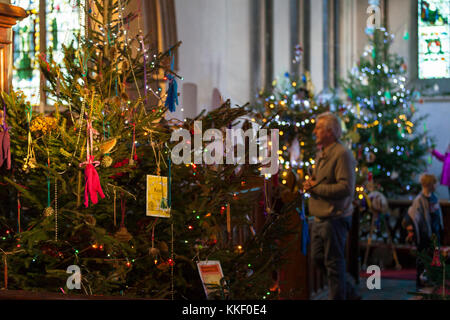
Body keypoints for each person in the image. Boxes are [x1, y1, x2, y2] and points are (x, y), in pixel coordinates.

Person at [303, 112, 359, 300]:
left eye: (319, 127)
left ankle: (341, 295)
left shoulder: (342, 154)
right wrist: (311, 184)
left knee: (334, 265)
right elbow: (321, 182)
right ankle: (349, 291)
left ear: (331, 131)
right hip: (320, 216)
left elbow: (346, 188)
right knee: (318, 259)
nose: (315, 131)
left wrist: (316, 188)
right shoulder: (322, 153)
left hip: (335, 217)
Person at [402, 173, 444, 288]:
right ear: (429, 185)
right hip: (424, 235)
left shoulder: (434, 197)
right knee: (422, 258)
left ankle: (432, 278)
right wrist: (413, 230)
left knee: (434, 257)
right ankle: (420, 281)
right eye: (435, 183)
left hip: (434, 233)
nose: (436, 185)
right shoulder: (419, 200)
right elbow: (414, 216)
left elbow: (437, 214)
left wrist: (440, 228)